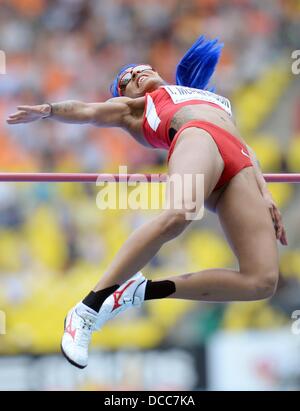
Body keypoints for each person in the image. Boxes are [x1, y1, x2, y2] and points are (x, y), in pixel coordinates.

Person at [7, 36, 287, 369]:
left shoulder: (208, 97)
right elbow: (86, 111)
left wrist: (265, 192)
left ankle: (140, 292)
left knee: (261, 282)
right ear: (124, 96)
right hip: (196, 136)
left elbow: (246, 146)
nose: (136, 74)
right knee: (179, 216)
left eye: (142, 69)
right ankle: (86, 310)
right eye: (126, 79)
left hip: (238, 159)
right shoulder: (135, 107)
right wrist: (49, 110)